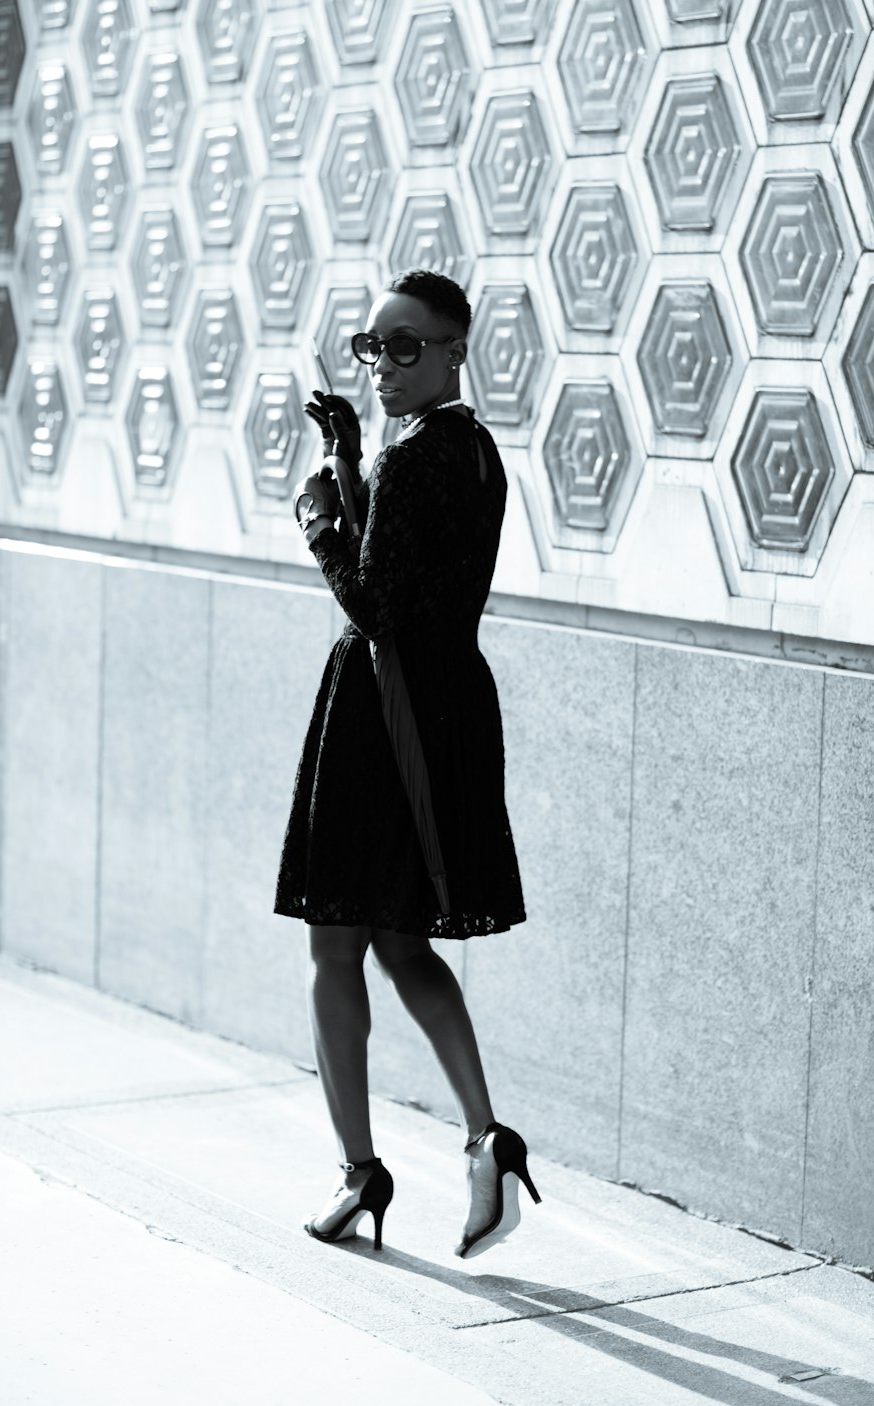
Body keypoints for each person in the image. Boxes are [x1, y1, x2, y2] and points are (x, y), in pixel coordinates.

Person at [273, 268, 540, 1258]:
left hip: (387, 715)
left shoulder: (427, 456)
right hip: (433, 707)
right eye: (371, 345)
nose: (384, 363)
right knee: (394, 943)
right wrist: (348, 455)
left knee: (337, 945)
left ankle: (360, 1173)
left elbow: (376, 600)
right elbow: (416, 573)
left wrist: (320, 520)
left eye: (405, 346)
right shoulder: (458, 448)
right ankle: (487, 1138)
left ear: (455, 351)